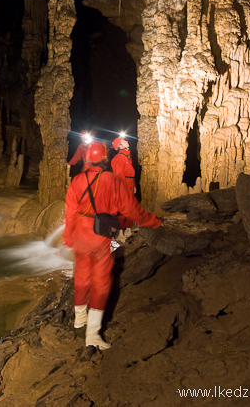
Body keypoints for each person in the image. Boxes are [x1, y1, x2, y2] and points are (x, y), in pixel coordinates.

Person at [63, 140, 162, 350]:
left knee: (81, 275)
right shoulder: (112, 180)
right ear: (106, 159)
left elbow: (70, 211)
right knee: (102, 282)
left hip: (80, 235)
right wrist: (153, 221)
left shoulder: (77, 180)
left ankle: (79, 318)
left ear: (87, 158)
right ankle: (92, 334)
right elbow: (132, 210)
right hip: (101, 237)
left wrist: (68, 235)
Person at [111, 136, 136, 230]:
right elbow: (119, 176)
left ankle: (128, 229)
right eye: (124, 141)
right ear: (120, 145)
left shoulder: (127, 156)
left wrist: (133, 185)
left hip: (129, 183)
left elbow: (130, 173)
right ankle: (120, 232)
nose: (126, 141)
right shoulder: (118, 158)